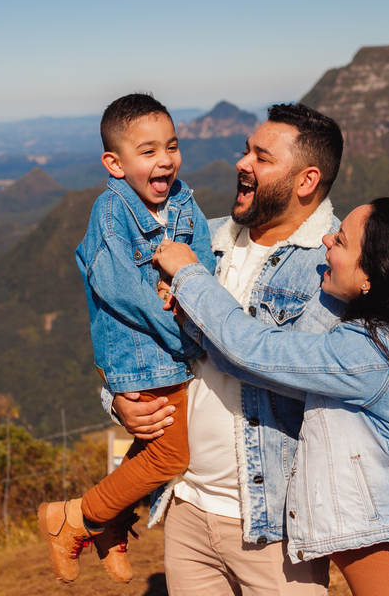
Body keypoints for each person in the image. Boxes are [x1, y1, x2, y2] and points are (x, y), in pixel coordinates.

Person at [153, 197, 389, 596]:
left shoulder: (372, 354)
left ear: (372, 275)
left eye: (341, 240)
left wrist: (191, 277)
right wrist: (189, 319)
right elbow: (259, 367)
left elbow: (256, 348)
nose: (326, 240)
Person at [110, 103, 345, 595]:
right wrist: (121, 403)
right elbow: (130, 328)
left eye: (261, 157)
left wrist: (191, 280)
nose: (242, 164)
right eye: (245, 150)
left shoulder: (331, 269)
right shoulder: (202, 237)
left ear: (306, 181)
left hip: (275, 523)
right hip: (187, 504)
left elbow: (280, 367)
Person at [37, 93, 216, 585]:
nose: (165, 159)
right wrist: (190, 333)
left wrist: (194, 286)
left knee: (161, 443)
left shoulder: (183, 199)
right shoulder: (111, 213)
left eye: (172, 146)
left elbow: (203, 258)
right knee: (172, 454)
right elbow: (121, 291)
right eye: (148, 150)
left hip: (172, 343)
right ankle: (76, 517)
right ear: (114, 164)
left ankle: (107, 520)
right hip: (140, 349)